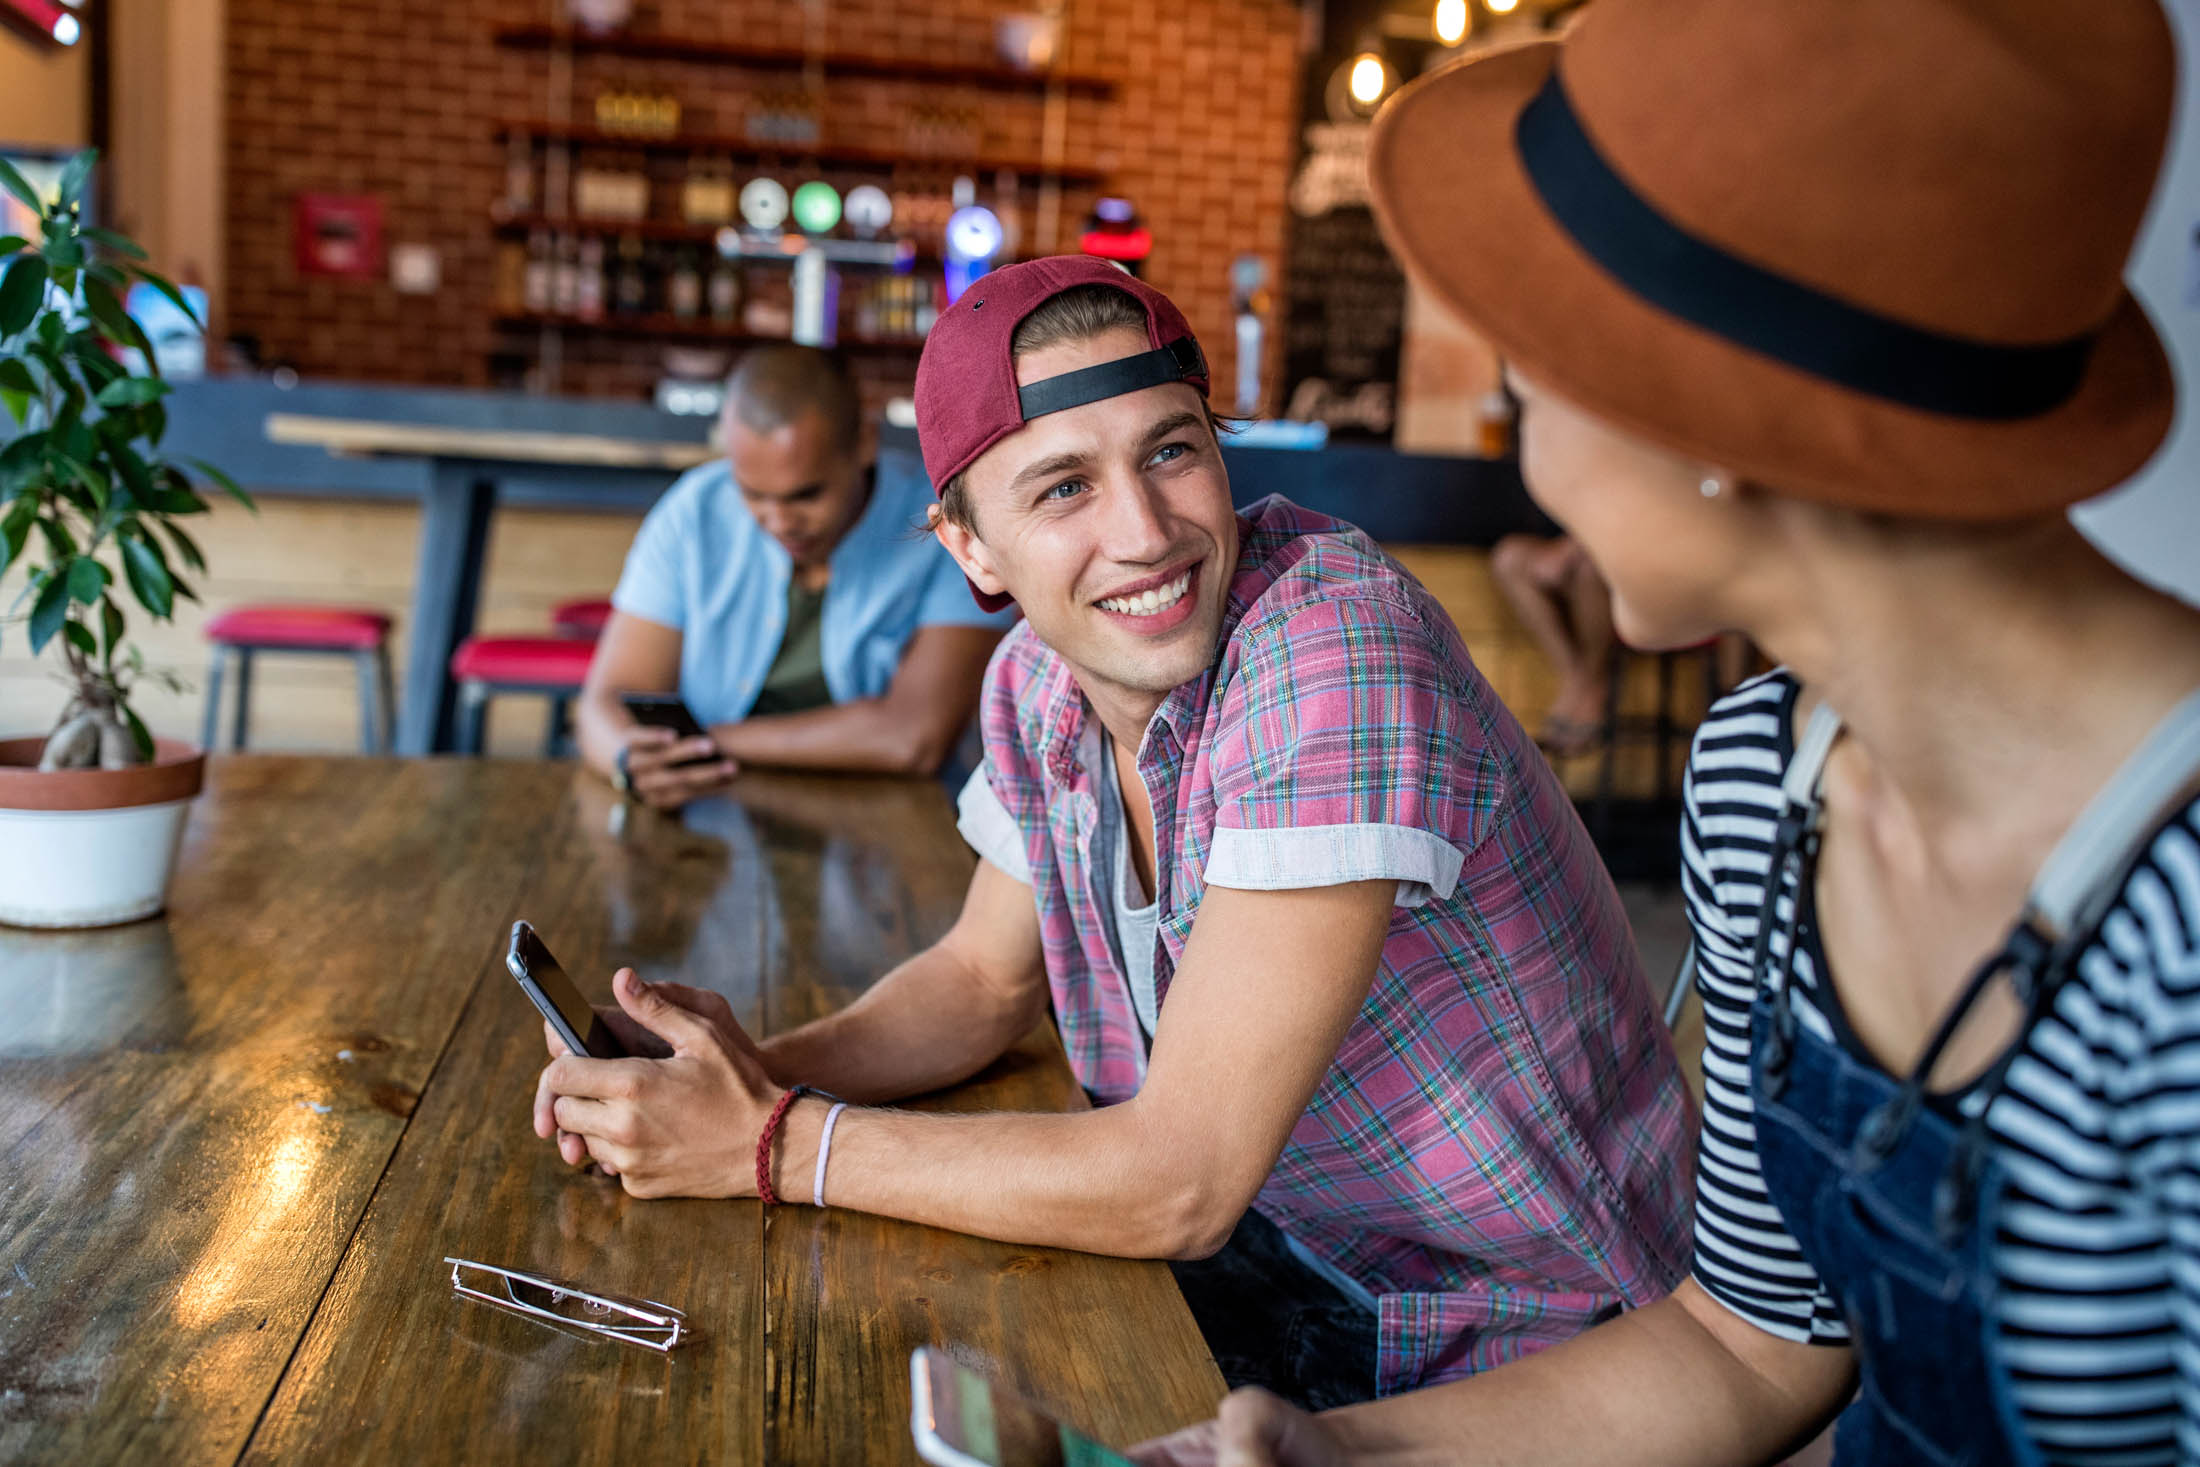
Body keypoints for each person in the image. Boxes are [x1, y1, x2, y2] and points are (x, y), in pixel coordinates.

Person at [1132, 0, 2197, 1462]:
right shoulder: (1765, 781)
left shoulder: (2179, 909)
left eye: (1533, 375)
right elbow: (1749, 1342)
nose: (1521, 431)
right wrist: (1350, 1452)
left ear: (1710, 429)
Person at [534, 257, 1696, 1407]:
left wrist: (767, 1144)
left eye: (1171, 451)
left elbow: (1179, 1182)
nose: (1145, 534)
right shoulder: (1038, 682)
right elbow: (980, 982)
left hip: (1526, 1337)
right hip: (1284, 1262)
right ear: (970, 548)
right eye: (1062, 488)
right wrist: (739, 1081)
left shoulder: (1335, 652)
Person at [576, 345, 1012, 807]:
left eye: (805, 496)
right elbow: (606, 701)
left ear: (864, 444)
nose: (779, 521)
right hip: (711, 803)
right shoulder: (694, 512)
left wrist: (702, 742)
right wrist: (628, 759)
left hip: (890, 814)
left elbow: (913, 738)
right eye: (754, 495)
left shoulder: (944, 528)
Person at [1488, 532, 1613, 755]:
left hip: (1620, 553)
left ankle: (1592, 681)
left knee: (1589, 569)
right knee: (1508, 559)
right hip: (1567, 534)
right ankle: (1576, 679)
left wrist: (1571, 548)